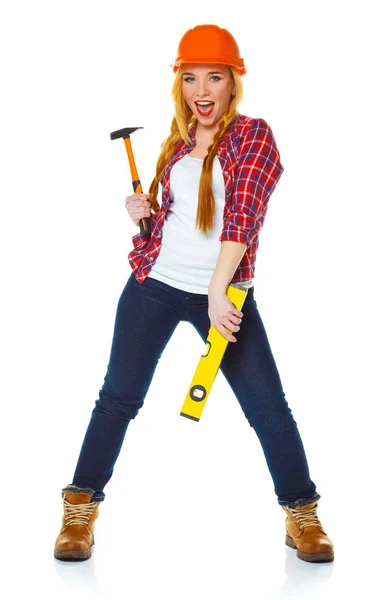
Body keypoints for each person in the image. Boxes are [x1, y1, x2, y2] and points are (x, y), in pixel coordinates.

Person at [54, 24, 334, 564]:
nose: (201, 90)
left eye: (214, 77)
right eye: (190, 78)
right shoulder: (177, 143)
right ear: (179, 83)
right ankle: (79, 508)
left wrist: (217, 291)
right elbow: (180, 223)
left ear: (234, 82)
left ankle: (302, 513)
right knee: (118, 398)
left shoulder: (253, 135)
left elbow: (242, 215)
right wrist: (146, 217)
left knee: (268, 408)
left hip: (224, 298)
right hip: (154, 287)